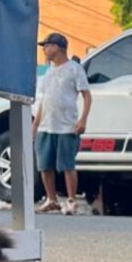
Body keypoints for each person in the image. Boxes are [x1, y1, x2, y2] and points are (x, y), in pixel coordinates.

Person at [31, 32, 91, 215]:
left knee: (66, 165)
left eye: (47, 46)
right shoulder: (48, 72)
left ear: (57, 47)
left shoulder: (74, 69)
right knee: (44, 165)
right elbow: (43, 100)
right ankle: (51, 199)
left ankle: (71, 200)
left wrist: (82, 119)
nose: (44, 50)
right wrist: (35, 124)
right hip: (46, 125)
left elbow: (87, 95)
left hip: (66, 126)